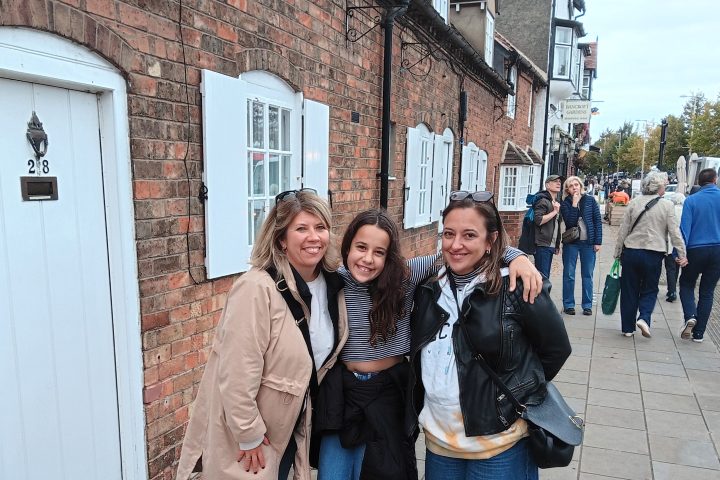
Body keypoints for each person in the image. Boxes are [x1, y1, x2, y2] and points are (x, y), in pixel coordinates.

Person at [315, 208, 542, 480]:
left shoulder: (404, 277)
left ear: (390, 257)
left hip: (390, 391)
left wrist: (517, 256)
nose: (367, 259)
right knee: (333, 472)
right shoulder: (334, 281)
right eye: (360, 247)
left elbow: (456, 252)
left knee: (387, 469)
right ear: (347, 245)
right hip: (344, 392)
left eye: (379, 252)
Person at [176, 189, 349, 480]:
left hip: (292, 430)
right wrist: (248, 433)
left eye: (321, 227)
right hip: (253, 438)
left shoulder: (333, 284)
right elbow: (235, 371)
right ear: (281, 239)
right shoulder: (256, 288)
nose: (314, 237)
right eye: (301, 228)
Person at [405, 191, 571, 480]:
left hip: (500, 445)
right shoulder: (428, 287)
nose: (455, 245)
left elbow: (555, 349)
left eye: (469, 235)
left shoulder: (517, 286)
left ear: (490, 240)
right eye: (448, 234)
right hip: (440, 443)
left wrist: (512, 395)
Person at [614, 172, 687, 338]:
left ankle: (627, 328)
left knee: (629, 289)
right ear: (660, 188)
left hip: (632, 251)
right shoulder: (667, 206)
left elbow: (623, 230)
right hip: (654, 253)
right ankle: (644, 317)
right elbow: (674, 232)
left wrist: (617, 252)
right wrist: (682, 253)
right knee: (650, 288)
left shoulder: (634, 203)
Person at [678, 168, 720, 343]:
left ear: (699, 181)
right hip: (718, 249)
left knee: (686, 284)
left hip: (695, 249)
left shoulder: (691, 201)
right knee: (707, 291)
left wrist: (679, 253)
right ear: (715, 180)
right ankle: (699, 333)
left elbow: (684, 229)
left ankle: (690, 315)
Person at [560, 176, 602, 316]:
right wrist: (574, 204)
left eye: (576, 184)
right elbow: (570, 222)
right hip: (572, 243)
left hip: (588, 243)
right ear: (567, 189)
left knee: (587, 275)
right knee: (569, 274)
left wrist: (598, 241)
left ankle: (587, 305)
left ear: (581, 186)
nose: (574, 187)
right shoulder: (565, 203)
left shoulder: (590, 200)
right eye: (571, 186)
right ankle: (568, 304)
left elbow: (597, 221)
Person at [532, 174, 562, 278]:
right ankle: (540, 295)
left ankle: (542, 294)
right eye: (555, 181)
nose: (558, 183)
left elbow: (557, 225)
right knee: (542, 277)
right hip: (542, 244)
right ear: (547, 185)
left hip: (550, 245)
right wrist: (554, 212)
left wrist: (557, 244)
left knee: (545, 276)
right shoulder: (543, 201)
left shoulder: (555, 202)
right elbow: (538, 220)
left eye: (559, 181)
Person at [663, 192, 685, 302]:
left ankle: (671, 291)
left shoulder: (671, 210)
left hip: (670, 243)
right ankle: (674, 288)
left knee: (670, 268)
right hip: (682, 244)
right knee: (677, 267)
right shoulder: (686, 211)